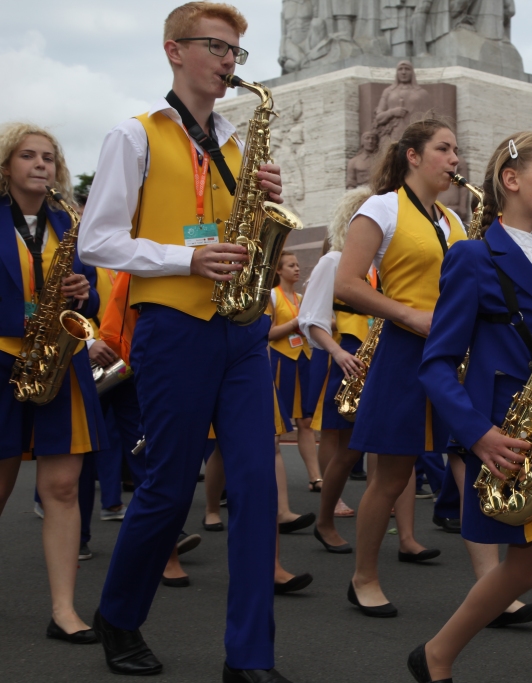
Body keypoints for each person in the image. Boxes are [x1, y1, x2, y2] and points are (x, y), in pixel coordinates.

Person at [78, 3, 294, 680]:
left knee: (259, 486)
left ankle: (249, 657)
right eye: (217, 48)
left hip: (242, 329)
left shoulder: (235, 142)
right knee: (169, 488)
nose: (230, 63)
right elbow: (98, 239)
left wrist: (264, 201)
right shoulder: (134, 134)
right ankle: (118, 614)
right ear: (175, 51)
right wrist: (185, 258)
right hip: (173, 327)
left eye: (237, 53)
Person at [411, 130, 532, 683]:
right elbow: (437, 363)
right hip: (504, 436)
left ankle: (436, 655)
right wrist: (477, 436)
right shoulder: (471, 257)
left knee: (525, 566)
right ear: (511, 180)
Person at [335, 117, 462, 616]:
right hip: (404, 353)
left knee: (473, 464)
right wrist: (409, 314)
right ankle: (363, 575)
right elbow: (346, 285)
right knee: (391, 475)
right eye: (444, 149)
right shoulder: (381, 207)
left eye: (456, 150)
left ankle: (496, 586)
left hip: (452, 356)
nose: (455, 159)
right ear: (413, 155)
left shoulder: (454, 221)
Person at [0, 122, 104, 645]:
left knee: (63, 487)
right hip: (2, 358)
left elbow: (95, 306)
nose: (41, 164)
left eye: (49, 157)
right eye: (27, 156)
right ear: (6, 166)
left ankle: (64, 610)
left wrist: (83, 292)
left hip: (60, 362)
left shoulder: (70, 222)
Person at [298, 188, 372, 552]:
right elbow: (310, 319)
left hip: (370, 357)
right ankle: (330, 508)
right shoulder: (334, 261)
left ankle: (338, 503)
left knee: (355, 443)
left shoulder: (377, 265)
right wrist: (337, 353)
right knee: (336, 435)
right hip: (342, 353)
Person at [268, 250, 322, 492]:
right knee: (276, 424)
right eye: (291, 265)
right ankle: (271, 479)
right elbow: (267, 334)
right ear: (279, 270)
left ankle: (315, 477)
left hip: (303, 358)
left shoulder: (301, 297)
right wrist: (295, 324)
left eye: (298, 264)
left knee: (306, 420)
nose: (297, 269)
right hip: (281, 360)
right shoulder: (272, 296)